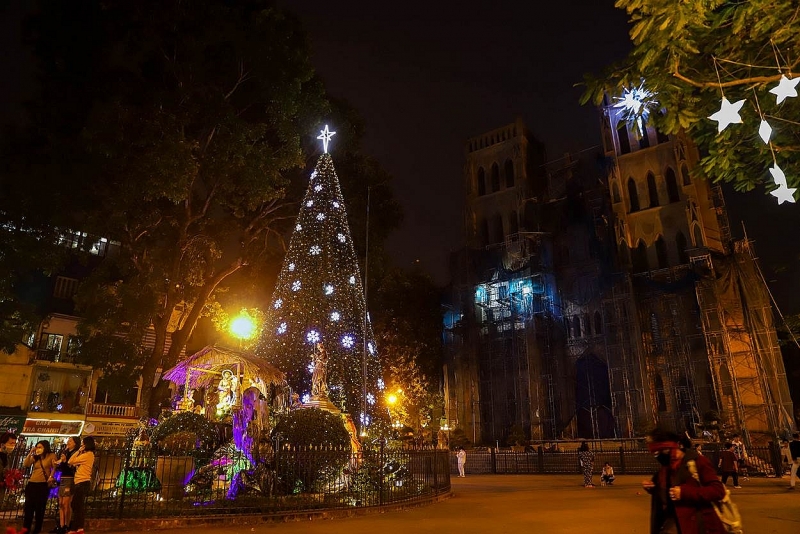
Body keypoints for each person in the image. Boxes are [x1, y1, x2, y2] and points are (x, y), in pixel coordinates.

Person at [643, 428, 726, 534]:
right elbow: (665, 495)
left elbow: (718, 490)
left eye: (662, 450)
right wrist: (653, 488)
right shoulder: (664, 469)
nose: (659, 456)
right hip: (671, 526)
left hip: (700, 525)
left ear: (675, 446)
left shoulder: (697, 462)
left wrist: (685, 492)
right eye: (655, 453)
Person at [23, 440, 57, 534]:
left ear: (45, 447)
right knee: (29, 507)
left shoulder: (51, 455)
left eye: (40, 447)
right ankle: (26, 529)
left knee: (40, 508)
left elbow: (54, 467)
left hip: (42, 484)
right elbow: (26, 464)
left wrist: (51, 477)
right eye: (37, 447)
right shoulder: (36, 457)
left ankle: (37, 529)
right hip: (32, 483)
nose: (38, 449)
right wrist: (31, 453)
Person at [68, 436, 96, 534]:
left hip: (82, 482)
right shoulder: (88, 455)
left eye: (83, 443)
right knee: (77, 505)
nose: (82, 445)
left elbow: (70, 461)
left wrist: (78, 451)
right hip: (80, 482)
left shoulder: (88, 455)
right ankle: (79, 528)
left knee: (77, 505)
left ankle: (75, 528)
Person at [52, 436, 81, 534]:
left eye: (71, 441)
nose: (68, 442)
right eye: (68, 440)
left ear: (75, 443)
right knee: (60, 503)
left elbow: (73, 467)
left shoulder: (76, 453)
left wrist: (65, 461)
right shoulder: (65, 452)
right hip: (63, 478)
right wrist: (58, 463)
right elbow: (61, 466)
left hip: (70, 479)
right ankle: (61, 525)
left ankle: (67, 525)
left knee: (66, 503)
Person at [0, 432, 18, 501]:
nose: (13, 446)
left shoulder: (7, 458)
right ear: (2, 444)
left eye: (14, 444)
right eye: (11, 443)